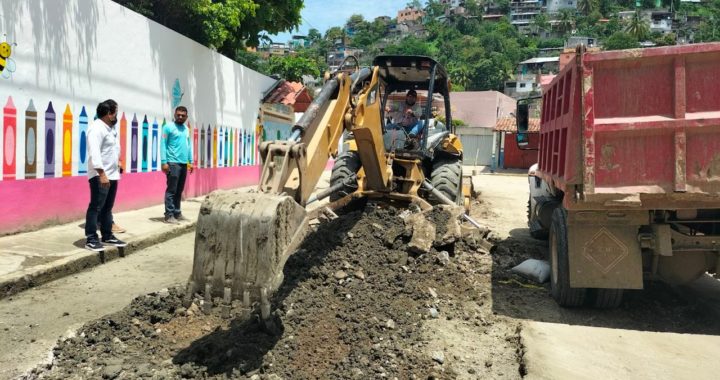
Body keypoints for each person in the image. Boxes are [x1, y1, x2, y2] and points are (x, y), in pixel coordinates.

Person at [84, 99, 127, 252]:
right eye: (116, 112)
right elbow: (94, 152)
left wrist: (119, 162)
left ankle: (107, 235)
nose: (116, 115)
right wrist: (101, 173)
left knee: (107, 208)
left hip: (113, 174)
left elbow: (112, 149)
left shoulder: (110, 128)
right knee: (96, 207)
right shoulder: (96, 128)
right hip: (100, 175)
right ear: (109, 114)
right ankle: (91, 238)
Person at [161, 106, 194, 224]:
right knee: (172, 190)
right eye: (178, 115)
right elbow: (163, 144)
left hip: (184, 163)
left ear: (186, 117)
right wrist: (164, 162)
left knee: (179, 190)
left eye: (183, 115)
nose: (180, 117)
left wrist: (191, 161)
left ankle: (177, 212)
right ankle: (169, 215)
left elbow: (189, 145)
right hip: (172, 163)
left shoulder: (186, 129)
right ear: (174, 115)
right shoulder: (168, 127)